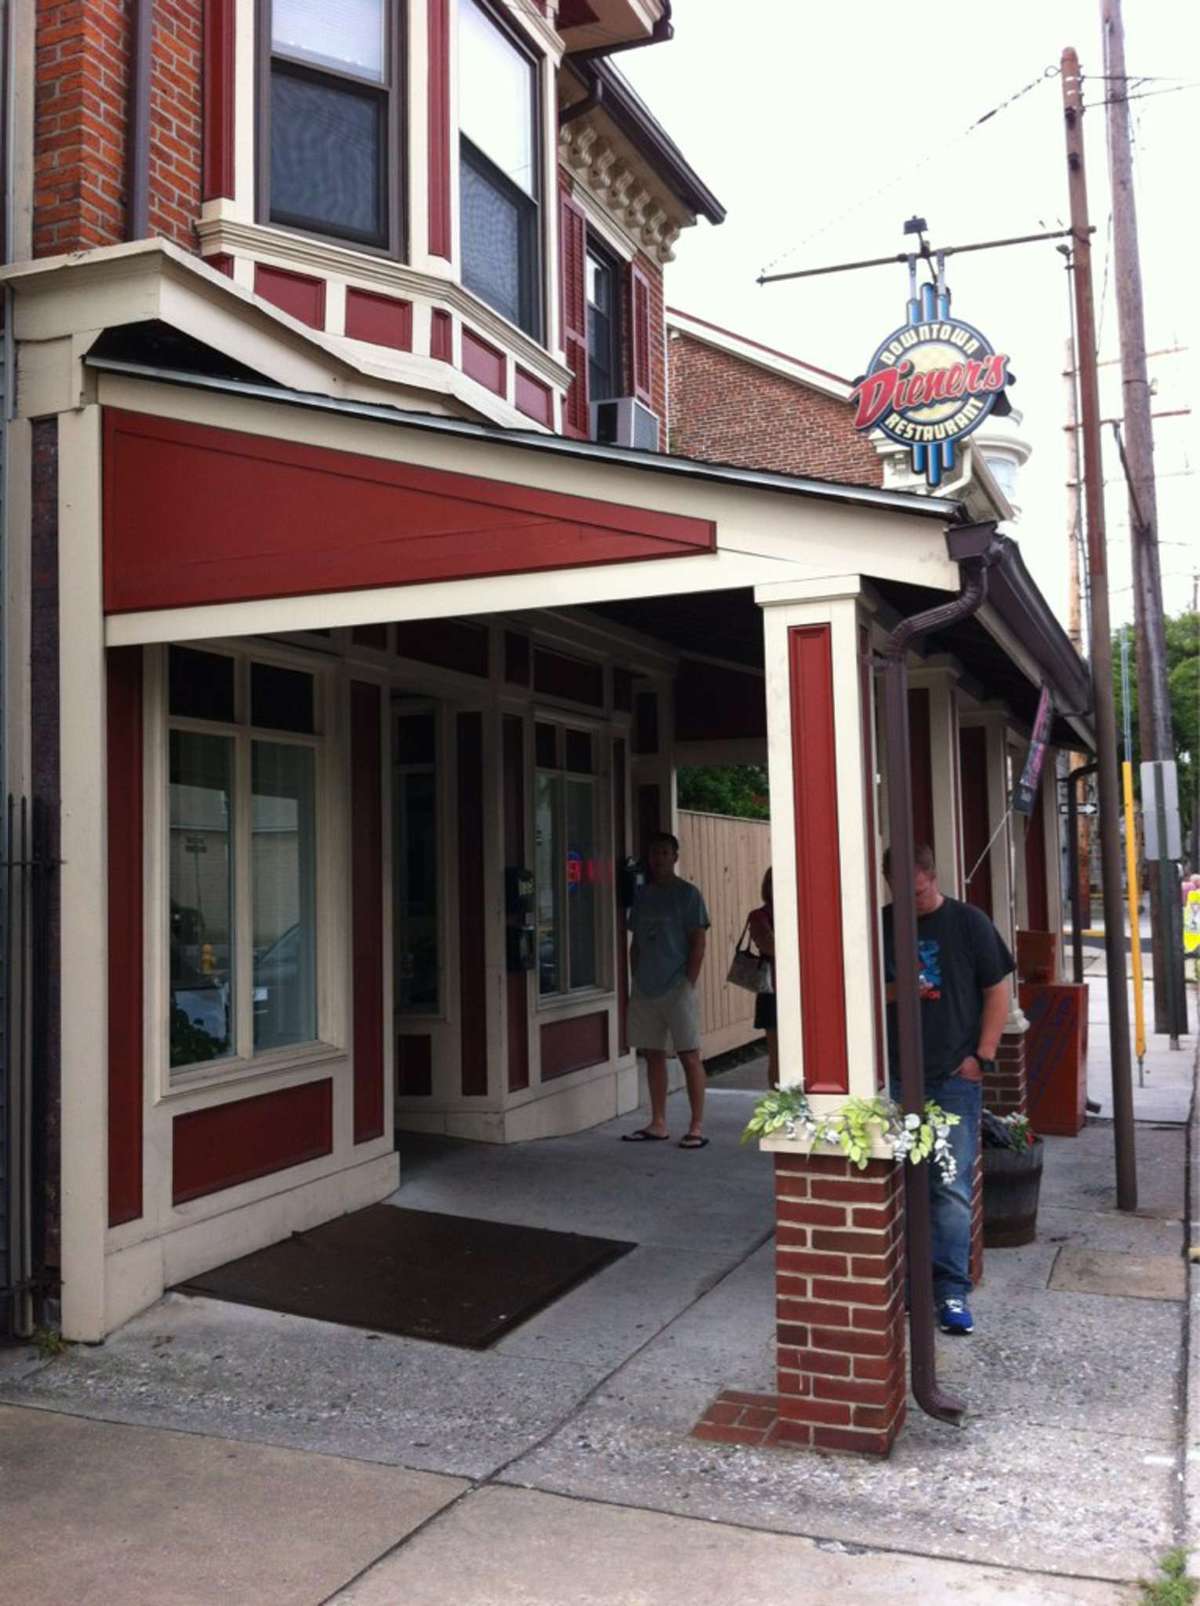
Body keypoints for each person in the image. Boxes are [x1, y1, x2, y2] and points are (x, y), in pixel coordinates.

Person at [881, 843, 1013, 1336]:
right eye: (905, 892)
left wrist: (982, 1056)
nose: (915, 899)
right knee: (900, 1181)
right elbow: (865, 990)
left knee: (951, 1185)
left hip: (954, 1076)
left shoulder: (968, 923)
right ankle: (910, 1282)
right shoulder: (880, 925)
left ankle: (950, 1290)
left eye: (922, 890)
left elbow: (997, 989)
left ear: (933, 877)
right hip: (896, 1076)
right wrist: (899, 991)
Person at [622, 830, 711, 1148]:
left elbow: (698, 940)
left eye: (664, 853)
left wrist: (689, 980)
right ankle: (658, 1122)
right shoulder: (643, 896)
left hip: (676, 985)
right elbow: (634, 941)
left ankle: (696, 1125)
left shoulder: (688, 894)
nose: (658, 858)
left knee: (689, 1054)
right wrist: (635, 975)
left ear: (675, 857)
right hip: (645, 986)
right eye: (654, 853)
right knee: (653, 1053)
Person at [747, 868, 778, 1089]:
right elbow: (770, 946)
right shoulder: (759, 916)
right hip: (772, 989)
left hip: (803, 990)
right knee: (777, 1053)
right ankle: (779, 1106)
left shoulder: (802, 910)